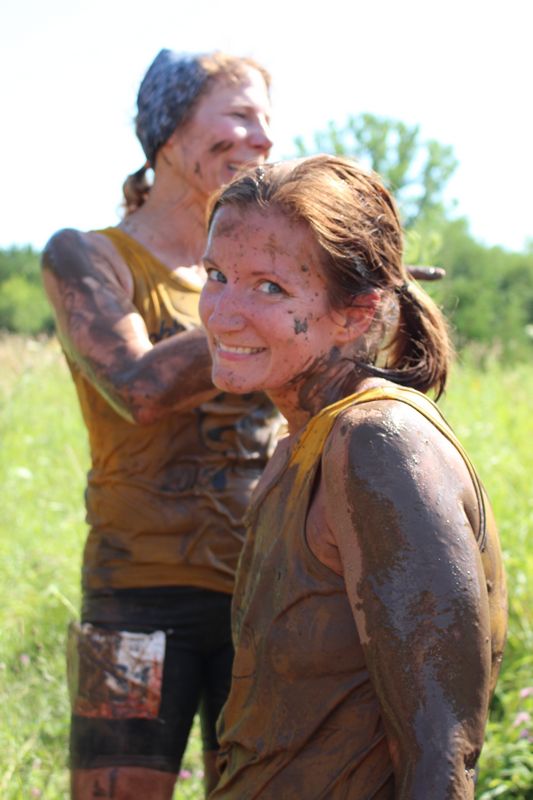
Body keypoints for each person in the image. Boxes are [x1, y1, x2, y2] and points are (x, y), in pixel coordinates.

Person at [199, 155, 508, 799]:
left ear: (357, 312)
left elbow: (441, 756)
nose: (222, 313)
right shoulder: (301, 444)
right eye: (217, 275)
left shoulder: (376, 445)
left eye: (269, 287)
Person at [41, 49, 278, 800]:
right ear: (169, 134)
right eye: (240, 115)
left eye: (267, 120)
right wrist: (278, 306)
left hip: (265, 594)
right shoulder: (85, 256)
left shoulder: (274, 274)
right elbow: (138, 388)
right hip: (133, 600)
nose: (264, 138)